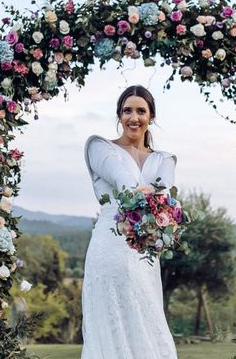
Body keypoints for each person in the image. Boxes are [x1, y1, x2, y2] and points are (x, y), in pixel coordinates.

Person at [81, 85, 178, 359]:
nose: (133, 117)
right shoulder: (100, 147)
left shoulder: (164, 159)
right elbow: (121, 177)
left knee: (148, 322)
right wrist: (145, 193)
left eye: (140, 111)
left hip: (144, 253)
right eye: (127, 111)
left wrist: (158, 196)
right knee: (112, 326)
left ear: (151, 116)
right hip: (108, 248)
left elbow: (166, 190)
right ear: (119, 116)